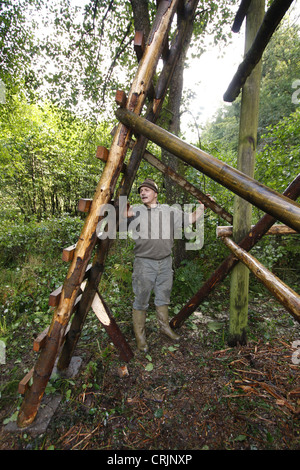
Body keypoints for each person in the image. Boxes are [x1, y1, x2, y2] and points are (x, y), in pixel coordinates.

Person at [126, 178, 204, 352]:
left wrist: (202, 206)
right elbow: (118, 221)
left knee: (163, 296)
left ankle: (164, 328)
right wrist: (120, 211)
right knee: (141, 299)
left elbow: (190, 219)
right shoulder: (135, 211)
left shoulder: (170, 211)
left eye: (146, 190)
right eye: (141, 191)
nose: (143, 193)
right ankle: (140, 338)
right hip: (144, 263)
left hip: (165, 262)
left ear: (155, 193)